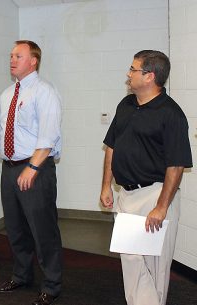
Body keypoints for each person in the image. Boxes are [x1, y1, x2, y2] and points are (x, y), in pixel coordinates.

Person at [100, 50, 192, 305]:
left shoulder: (171, 114)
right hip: (126, 194)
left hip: (155, 195)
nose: (128, 74)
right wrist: (106, 185)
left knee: (155, 267)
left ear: (149, 76)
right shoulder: (126, 104)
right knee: (130, 259)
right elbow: (111, 146)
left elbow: (176, 165)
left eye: (133, 69)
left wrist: (161, 207)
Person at [0, 40, 63, 305]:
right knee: (16, 229)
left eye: (18, 55)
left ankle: (52, 285)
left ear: (33, 61)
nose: (12, 59)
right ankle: (22, 275)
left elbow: (49, 137)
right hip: (9, 170)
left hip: (36, 169)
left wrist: (31, 168)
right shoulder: (7, 94)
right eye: (11, 55)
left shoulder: (45, 92)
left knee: (43, 230)